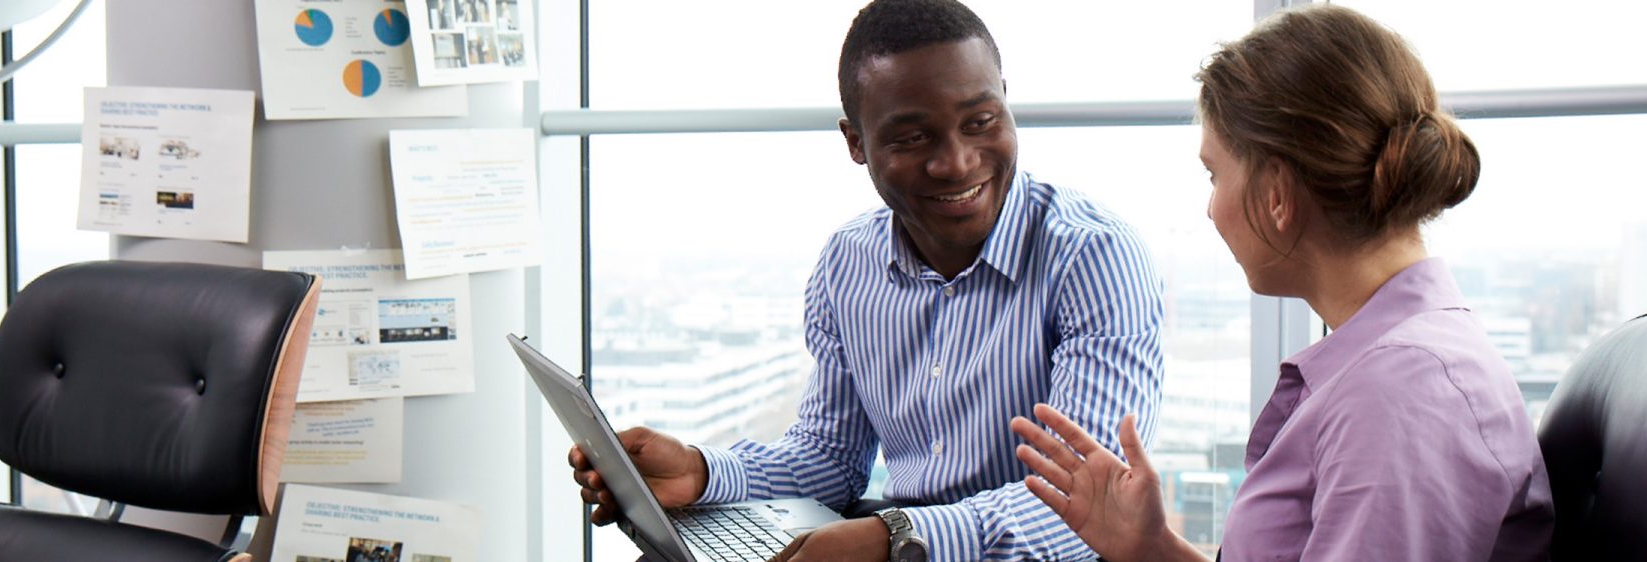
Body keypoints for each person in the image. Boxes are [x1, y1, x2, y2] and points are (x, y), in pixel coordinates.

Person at [569, 1, 1166, 560]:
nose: (956, 161)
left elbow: (1087, 507)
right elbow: (829, 460)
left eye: (980, 121)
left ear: (1006, 102)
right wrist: (701, 473)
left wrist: (895, 538)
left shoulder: (1094, 257)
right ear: (856, 142)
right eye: (913, 137)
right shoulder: (847, 264)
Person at [1010, 5, 1555, 561]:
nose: (1211, 208)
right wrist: (1155, 549)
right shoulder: (1393, 368)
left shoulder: (1400, 393)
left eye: (1214, 173)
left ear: (1276, 193)